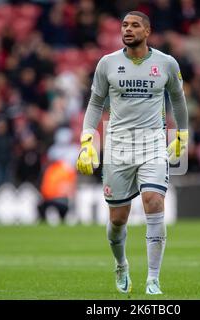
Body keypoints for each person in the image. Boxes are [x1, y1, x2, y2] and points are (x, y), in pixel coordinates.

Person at [75, 11, 188, 295]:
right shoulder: (107, 64)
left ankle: (153, 279)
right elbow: (95, 102)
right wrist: (88, 139)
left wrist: (182, 134)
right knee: (117, 221)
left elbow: (178, 99)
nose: (128, 29)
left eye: (134, 25)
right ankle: (121, 264)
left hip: (152, 145)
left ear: (147, 31)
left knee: (153, 201)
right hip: (118, 147)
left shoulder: (166, 63)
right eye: (124, 25)